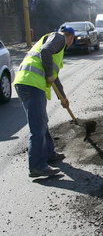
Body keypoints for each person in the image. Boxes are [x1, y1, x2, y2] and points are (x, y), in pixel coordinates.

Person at [13, 27, 75, 178]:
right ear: (71, 37)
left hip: (27, 82)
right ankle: (37, 166)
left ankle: (49, 154)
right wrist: (48, 74)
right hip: (31, 83)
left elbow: (55, 78)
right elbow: (45, 52)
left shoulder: (57, 49)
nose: (72, 42)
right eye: (73, 39)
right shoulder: (59, 38)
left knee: (41, 121)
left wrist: (63, 99)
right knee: (37, 126)